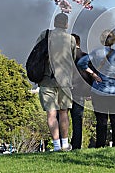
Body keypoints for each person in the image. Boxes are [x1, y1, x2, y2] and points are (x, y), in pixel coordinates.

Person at [77, 29, 115, 148]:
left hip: (99, 90)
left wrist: (93, 74)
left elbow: (81, 63)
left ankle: (100, 145)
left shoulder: (96, 53)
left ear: (101, 40)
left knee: (101, 120)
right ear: (113, 41)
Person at [37, 12, 76, 151]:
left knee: (51, 113)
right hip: (64, 80)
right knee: (64, 112)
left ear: (54, 23)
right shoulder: (71, 39)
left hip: (46, 79)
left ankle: (56, 145)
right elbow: (73, 58)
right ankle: (65, 144)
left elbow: (36, 53)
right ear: (66, 24)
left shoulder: (45, 35)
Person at [70, 33, 92, 150]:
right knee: (77, 121)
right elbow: (90, 76)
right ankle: (76, 145)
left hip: (67, 91)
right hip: (80, 92)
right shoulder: (86, 57)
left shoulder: (66, 57)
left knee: (62, 117)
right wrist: (89, 93)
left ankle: (62, 144)